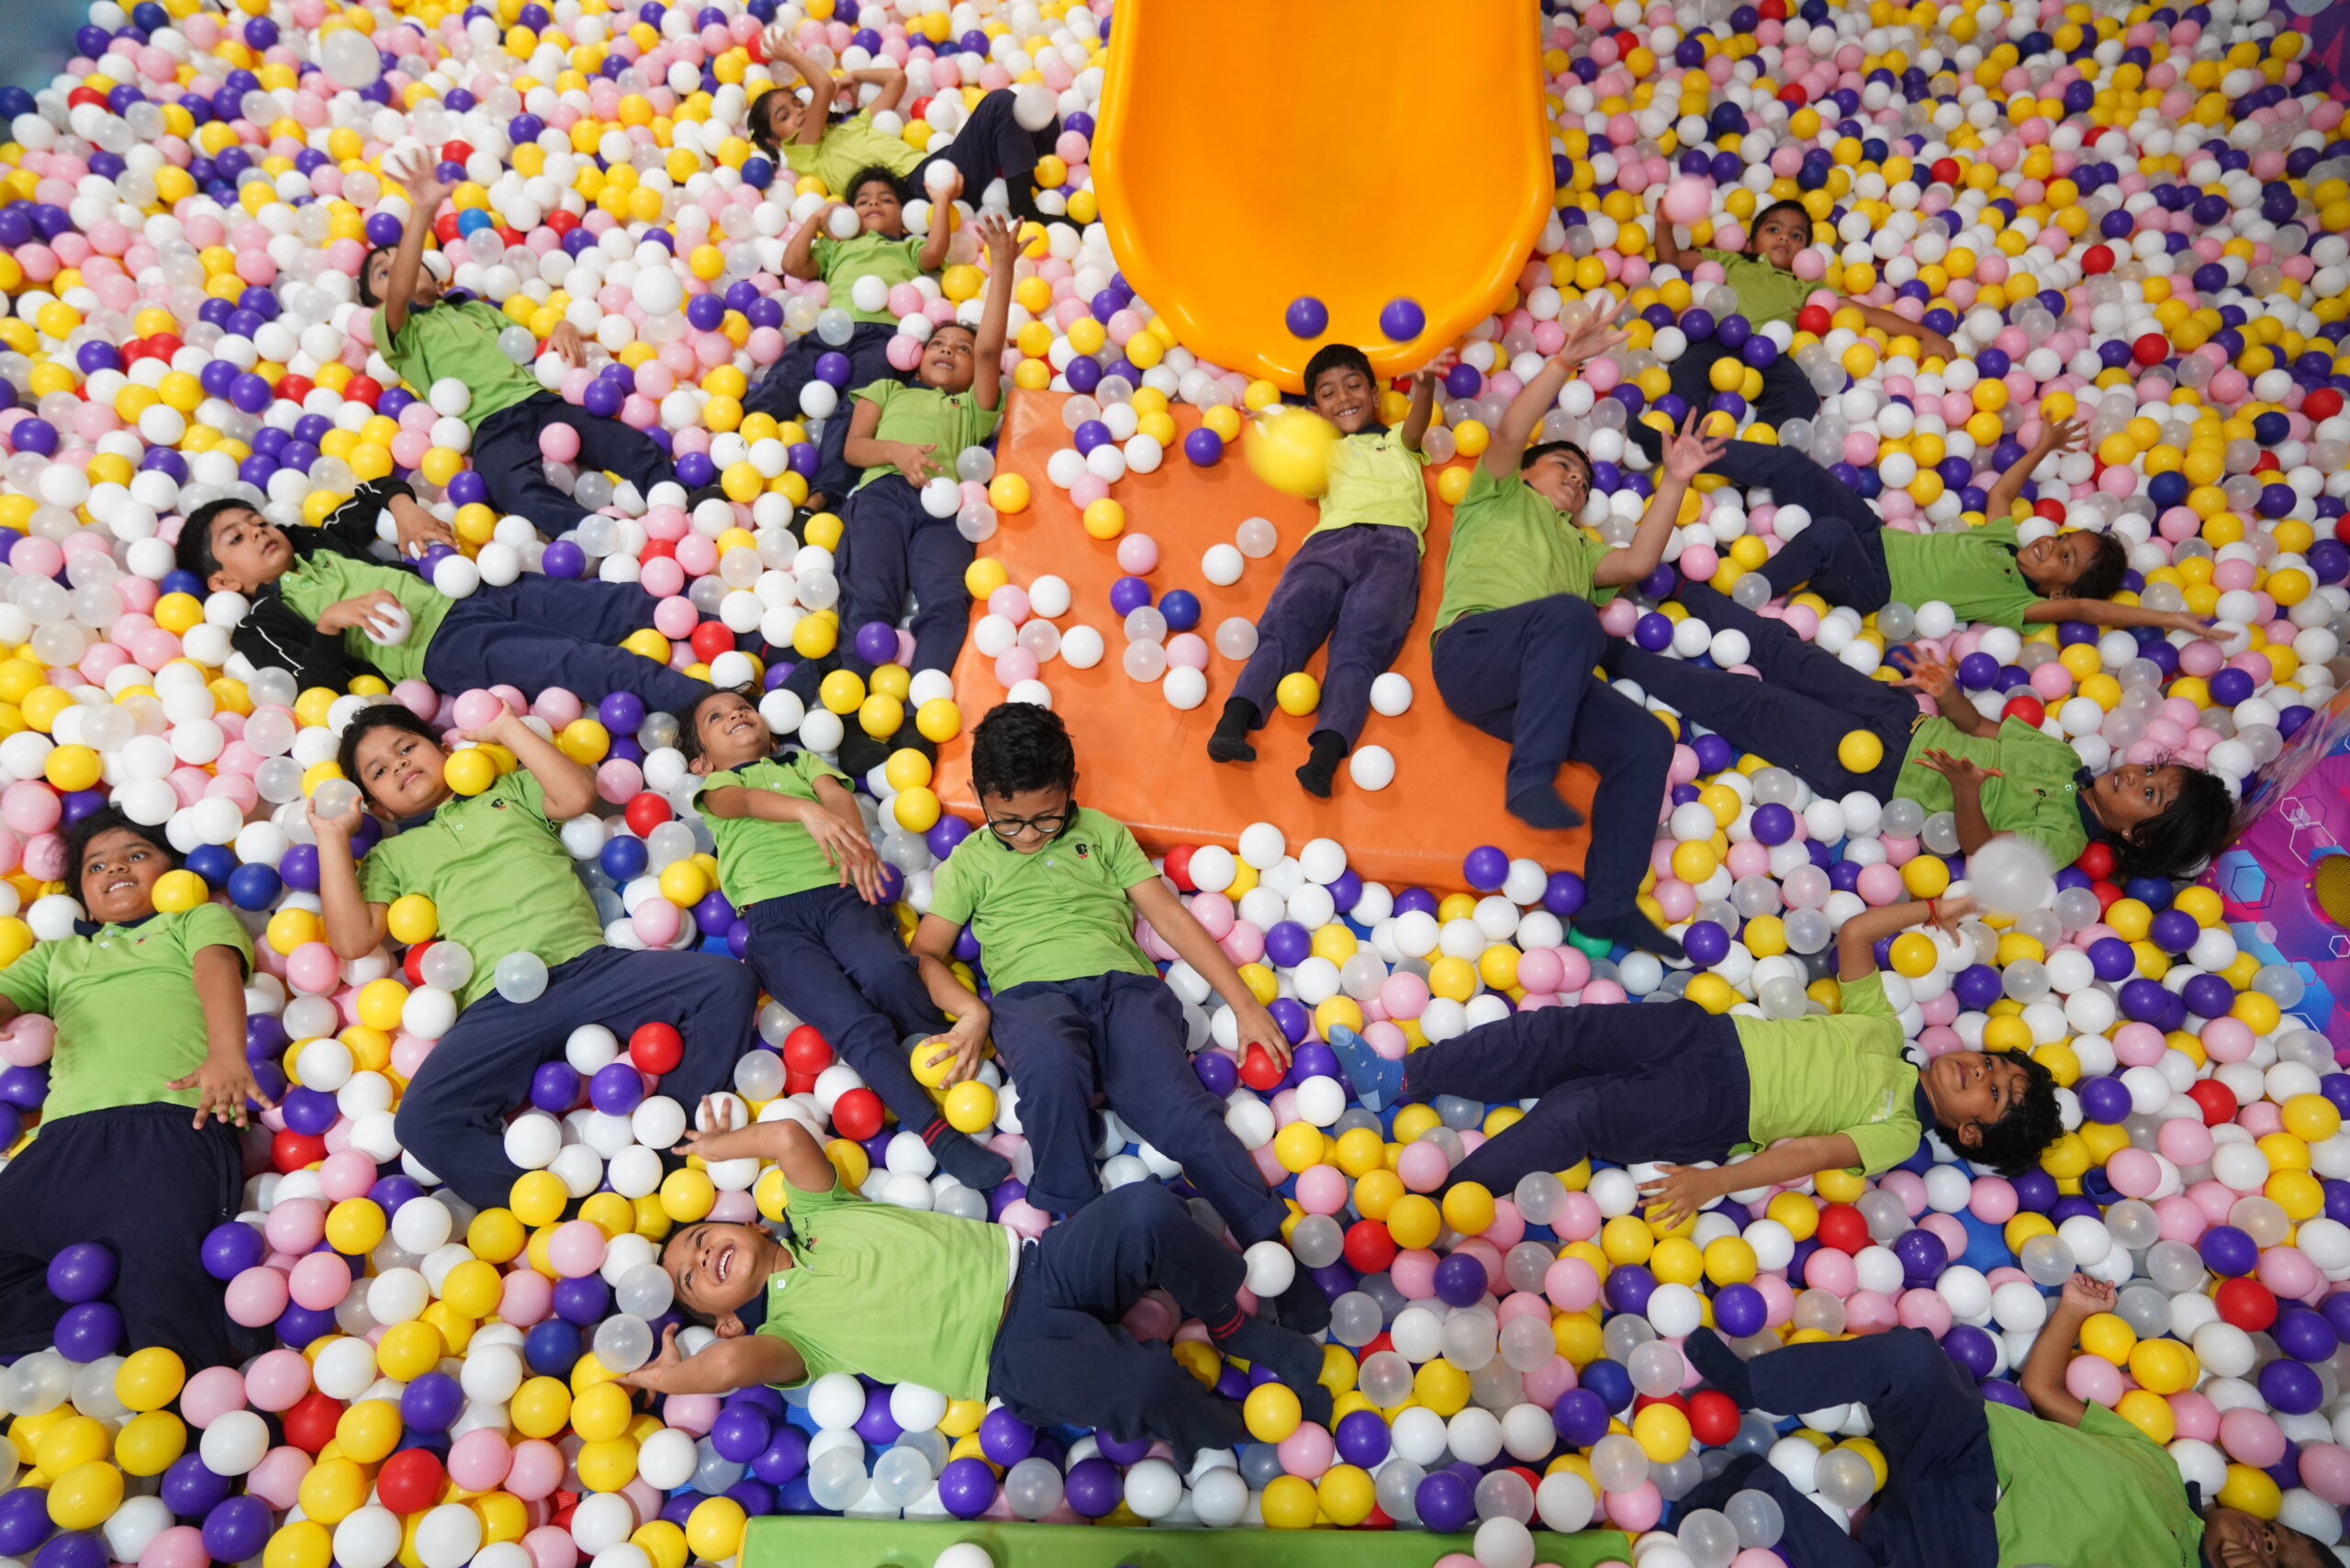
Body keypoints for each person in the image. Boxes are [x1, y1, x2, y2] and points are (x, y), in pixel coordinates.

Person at [910, 703, 1328, 1333]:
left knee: (1184, 1113)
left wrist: (1243, 1004)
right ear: (979, 796)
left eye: (1046, 817)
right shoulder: (970, 862)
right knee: (1052, 1069)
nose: (1029, 836)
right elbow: (926, 954)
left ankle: (1272, 1250)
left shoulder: (1101, 834)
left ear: (1071, 788)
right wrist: (970, 1010)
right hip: (1032, 998)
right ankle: (1083, 1238)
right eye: (1008, 822)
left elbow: (1170, 916)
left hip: (1123, 992)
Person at [619, 1097, 1333, 1464]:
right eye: (691, 1278)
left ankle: (1232, 1325)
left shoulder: (818, 1212)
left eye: (700, 1238)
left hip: (1038, 1265)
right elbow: (729, 1367)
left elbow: (785, 1139)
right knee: (1144, 1385)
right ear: (727, 1320)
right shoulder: (788, 1337)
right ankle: (1240, 1433)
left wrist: (719, 1147)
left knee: (1146, 1209)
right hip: (1009, 1355)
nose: (701, 1257)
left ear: (750, 1224)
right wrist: (674, 1376)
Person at [1329, 894, 2061, 1206]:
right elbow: (1856, 934)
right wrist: (1934, 909)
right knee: (1560, 1033)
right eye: (1994, 1064)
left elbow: (1807, 1154)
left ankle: (1443, 1204)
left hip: (1718, 1106)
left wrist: (1715, 1185)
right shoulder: (1884, 1029)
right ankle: (1400, 1077)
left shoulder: (1899, 1131)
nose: (1981, 1069)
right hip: (1706, 1035)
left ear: (1970, 1131)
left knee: (1579, 1111)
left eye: (1992, 1091)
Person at [308, 703, 757, 1209]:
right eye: (380, 772)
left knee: (727, 984)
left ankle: (668, 1143)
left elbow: (577, 794)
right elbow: (351, 941)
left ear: (444, 748)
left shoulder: (511, 792)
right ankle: (552, 1211)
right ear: (382, 810)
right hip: (498, 1004)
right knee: (421, 1122)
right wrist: (331, 837)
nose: (400, 765)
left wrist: (505, 726)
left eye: (407, 748)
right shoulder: (390, 857)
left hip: (591, 969)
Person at [1676, 1273, 2334, 1568]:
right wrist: (2072, 1309)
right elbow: (2044, 1390)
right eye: (2271, 1538)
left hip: (1969, 1547)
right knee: (1912, 1358)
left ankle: (1752, 1491)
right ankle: (1755, 1382)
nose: (2256, 1547)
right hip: (1969, 1443)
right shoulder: (2158, 1465)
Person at [1605, 583, 2237, 878]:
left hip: (1876, 772)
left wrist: (1966, 791)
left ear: (2134, 835)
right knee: (1788, 654)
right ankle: (1681, 586)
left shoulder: (2064, 840)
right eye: (2154, 770)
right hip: (1898, 718)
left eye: (2149, 794)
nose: (2138, 774)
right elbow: (1981, 725)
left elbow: (1984, 853)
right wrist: (1948, 691)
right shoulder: (2064, 759)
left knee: (1751, 705)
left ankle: (1614, 655)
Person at [1433, 327, 1718, 960]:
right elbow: (1509, 434)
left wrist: (1675, 479)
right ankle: (1529, 779)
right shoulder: (1496, 498)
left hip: (1537, 692)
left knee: (1647, 741)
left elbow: (1638, 561)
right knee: (1571, 618)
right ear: (1527, 472)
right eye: (1564, 467)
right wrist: (1563, 361)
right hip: (1473, 653)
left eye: (1586, 482)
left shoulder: (1581, 550)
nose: (1576, 482)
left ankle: (1610, 902)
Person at [675, 684, 1009, 1191]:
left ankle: (939, 1056)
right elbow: (746, 800)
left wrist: (856, 848)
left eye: (743, 708)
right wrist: (804, 812)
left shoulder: (799, 763)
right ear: (701, 763)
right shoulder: (716, 788)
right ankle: (937, 1134)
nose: (736, 715)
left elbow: (835, 796)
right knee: (855, 1025)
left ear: (769, 735)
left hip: (838, 897)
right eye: (716, 718)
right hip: (775, 924)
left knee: (889, 971)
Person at [0, 808, 270, 1370]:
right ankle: (102, 1309)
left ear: (173, 872)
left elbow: (215, 969)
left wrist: (226, 1053)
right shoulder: (56, 956)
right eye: (96, 866)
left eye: (137, 855)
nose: (116, 868)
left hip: (169, 1124)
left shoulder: (191, 920)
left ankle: (188, 1400)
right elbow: (8, 996)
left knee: (165, 1308)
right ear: (81, 894)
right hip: (62, 1141)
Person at [785, 213, 1020, 775]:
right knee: (870, 597)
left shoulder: (972, 408)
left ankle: (919, 717)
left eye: (961, 349)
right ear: (917, 354)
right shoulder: (887, 389)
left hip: (945, 510)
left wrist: (1003, 266)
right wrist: (898, 452)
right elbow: (854, 449)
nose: (949, 351)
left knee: (946, 602)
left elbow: (992, 350)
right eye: (939, 342)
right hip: (882, 497)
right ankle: (852, 719)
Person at [1637, 416, 2210, 636]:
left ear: (2059, 591)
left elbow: (2089, 610)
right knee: (1793, 465)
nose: (2048, 544)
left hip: (1873, 586)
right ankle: (1677, 451)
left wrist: (2166, 618)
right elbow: (2003, 493)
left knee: (1828, 536)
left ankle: (1740, 602)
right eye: (2060, 539)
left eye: (2064, 558)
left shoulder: (2018, 604)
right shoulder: (2002, 538)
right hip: (1874, 534)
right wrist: (2042, 446)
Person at [357, 146, 677, 539]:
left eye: (403, 263)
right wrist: (422, 211)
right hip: (488, 425)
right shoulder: (395, 329)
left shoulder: (474, 310)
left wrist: (563, 326)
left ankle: (678, 500)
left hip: (538, 399)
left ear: (438, 281)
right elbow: (400, 293)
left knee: (627, 442)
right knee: (511, 489)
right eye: (383, 273)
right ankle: (601, 536)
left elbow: (527, 348)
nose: (397, 273)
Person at [176, 483, 709, 711]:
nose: (259, 532)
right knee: (580, 662)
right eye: (236, 539)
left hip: (470, 589)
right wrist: (331, 623)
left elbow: (373, 491)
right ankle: (710, 705)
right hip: (441, 647)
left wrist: (404, 508)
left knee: (612, 605)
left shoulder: (315, 541)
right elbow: (315, 688)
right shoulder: (261, 624)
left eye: (257, 521)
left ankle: (730, 626)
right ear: (223, 583)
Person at [1206, 342, 1447, 797]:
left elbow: (1417, 425)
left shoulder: (1397, 439)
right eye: (1329, 393)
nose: (1344, 397)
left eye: (1353, 385)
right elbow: (1305, 471)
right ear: (1316, 412)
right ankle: (1232, 723)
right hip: (1328, 544)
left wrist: (1425, 384)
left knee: (1361, 646)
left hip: (1392, 548)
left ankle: (1324, 757)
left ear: (1375, 394)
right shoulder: (1320, 452)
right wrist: (1281, 434)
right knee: (1284, 625)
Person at [744, 165, 961, 516]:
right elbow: (793, 265)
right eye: (863, 201)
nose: (874, 203)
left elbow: (935, 252)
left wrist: (941, 200)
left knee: (857, 407)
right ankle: (742, 443)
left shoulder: (907, 246)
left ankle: (824, 495)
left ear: (905, 218)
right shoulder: (837, 246)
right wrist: (816, 220)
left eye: (886, 200)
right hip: (833, 328)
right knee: (788, 373)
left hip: (884, 338)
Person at [1649, 197, 1958, 429]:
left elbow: (1866, 313)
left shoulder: (1807, 285)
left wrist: (1925, 333)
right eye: (1774, 230)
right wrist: (1663, 223)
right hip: (1717, 336)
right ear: (1751, 244)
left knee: (1802, 396)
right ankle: (1691, 438)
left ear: (1805, 253)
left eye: (1796, 236)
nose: (1785, 237)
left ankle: (1756, 451)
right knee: (1685, 372)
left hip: (1771, 350)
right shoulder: (1732, 261)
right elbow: (1672, 259)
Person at [751, 25, 1059, 224]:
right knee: (1001, 102)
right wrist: (790, 54)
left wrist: (855, 76)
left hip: (940, 167)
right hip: (915, 190)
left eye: (797, 103)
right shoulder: (805, 152)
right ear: (776, 141)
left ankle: (1027, 181)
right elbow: (823, 86)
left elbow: (897, 79)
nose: (798, 112)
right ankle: (1025, 209)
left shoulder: (852, 125)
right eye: (784, 116)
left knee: (1042, 126)